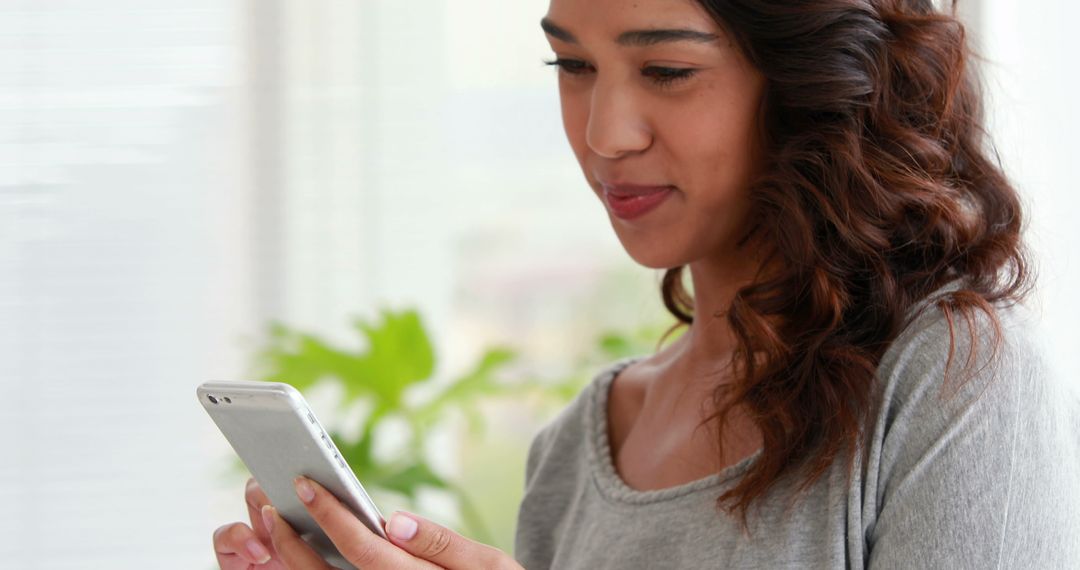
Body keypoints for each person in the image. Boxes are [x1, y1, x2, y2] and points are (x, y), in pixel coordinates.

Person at [211, 0, 1080, 568]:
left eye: (665, 71)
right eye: (572, 66)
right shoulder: (576, 451)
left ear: (811, 86)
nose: (603, 133)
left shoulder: (957, 378)